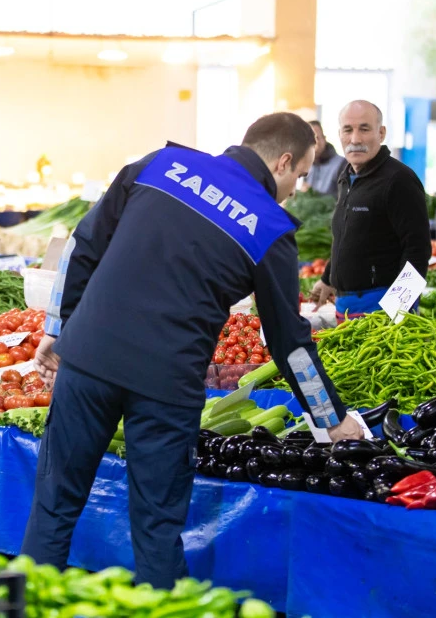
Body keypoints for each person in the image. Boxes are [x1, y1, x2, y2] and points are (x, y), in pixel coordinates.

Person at [21, 113, 362, 588]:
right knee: (157, 531)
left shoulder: (162, 164)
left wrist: (57, 329)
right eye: (301, 175)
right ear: (283, 162)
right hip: (165, 384)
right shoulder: (270, 228)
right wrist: (330, 419)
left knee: (53, 507)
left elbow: (84, 244)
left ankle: (18, 605)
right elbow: (290, 344)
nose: (297, 188)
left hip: (89, 359)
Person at [309, 100, 430, 316]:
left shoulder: (399, 179)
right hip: (345, 306)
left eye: (364, 129)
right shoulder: (346, 176)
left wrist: (397, 312)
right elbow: (345, 237)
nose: (355, 139)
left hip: (380, 309)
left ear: (381, 133)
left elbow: (418, 251)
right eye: (348, 130)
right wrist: (328, 278)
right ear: (339, 135)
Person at [304, 120, 344, 196]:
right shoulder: (304, 165)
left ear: (324, 139)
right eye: (309, 139)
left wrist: (313, 194)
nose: (314, 142)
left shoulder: (342, 164)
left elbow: (345, 197)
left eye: (317, 138)